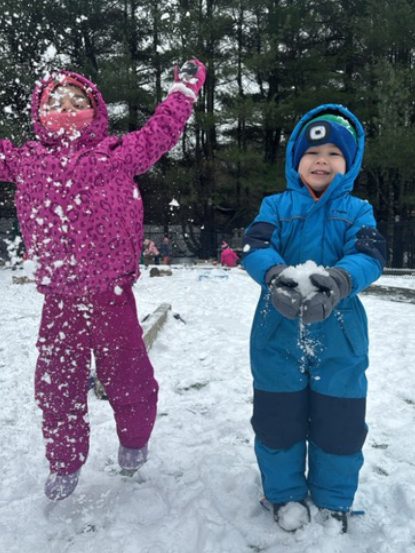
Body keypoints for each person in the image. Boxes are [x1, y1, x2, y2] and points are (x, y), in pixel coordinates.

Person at [0, 59, 206, 500]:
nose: (68, 108)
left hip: (112, 295)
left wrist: (183, 91)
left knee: (128, 376)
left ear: (97, 112)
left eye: (79, 101)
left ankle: (134, 439)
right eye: (56, 102)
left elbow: (161, 133)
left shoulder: (116, 154)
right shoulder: (25, 160)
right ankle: (64, 461)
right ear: (38, 115)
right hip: (58, 301)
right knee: (56, 386)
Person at [242, 104, 386, 533]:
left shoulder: (359, 211)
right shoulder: (276, 205)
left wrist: (340, 280)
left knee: (339, 421)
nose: (321, 160)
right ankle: (284, 494)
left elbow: (370, 254)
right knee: (278, 419)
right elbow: (255, 246)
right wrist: (275, 276)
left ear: (350, 163)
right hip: (275, 331)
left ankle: (333, 498)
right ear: (295, 161)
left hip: (341, 334)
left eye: (333, 154)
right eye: (312, 152)